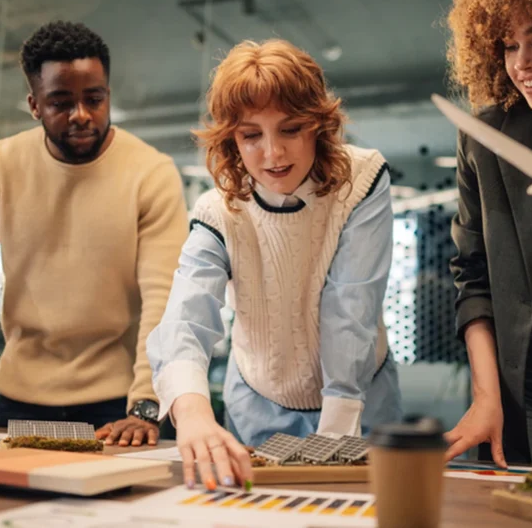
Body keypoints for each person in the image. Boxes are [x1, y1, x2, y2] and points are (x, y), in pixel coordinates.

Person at [147, 39, 402, 489]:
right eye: (251, 135)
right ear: (231, 139)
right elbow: (185, 318)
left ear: (318, 126)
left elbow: (352, 304)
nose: (273, 154)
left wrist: (339, 426)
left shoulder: (362, 180)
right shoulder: (216, 211)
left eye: (290, 129)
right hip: (258, 403)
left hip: (361, 397)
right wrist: (191, 414)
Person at [0, 21, 188, 446]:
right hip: (19, 400)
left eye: (95, 98)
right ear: (34, 105)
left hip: (119, 407)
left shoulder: (151, 173)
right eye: (61, 102)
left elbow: (164, 299)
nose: (82, 115)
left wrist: (145, 403)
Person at [445, 0, 532, 465]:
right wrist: (487, 397)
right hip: (519, 404)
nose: (522, 62)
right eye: (508, 45)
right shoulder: (483, 138)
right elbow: (472, 273)